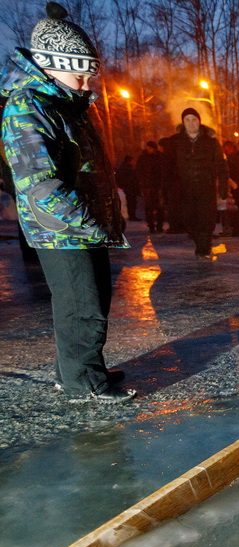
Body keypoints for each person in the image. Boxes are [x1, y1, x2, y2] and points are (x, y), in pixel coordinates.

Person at [1, 2, 134, 402]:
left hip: (82, 221)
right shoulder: (27, 106)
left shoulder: (65, 104)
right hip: (61, 226)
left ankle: (77, 369)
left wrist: (107, 210)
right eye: (80, 75)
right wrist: (84, 220)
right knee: (81, 305)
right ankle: (82, 382)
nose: (87, 85)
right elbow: (39, 182)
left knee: (93, 299)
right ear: (51, 66)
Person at [166, 107, 229, 258]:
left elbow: (221, 165)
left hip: (205, 187)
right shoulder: (175, 142)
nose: (191, 123)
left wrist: (223, 186)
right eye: (187, 120)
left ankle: (204, 248)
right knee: (189, 219)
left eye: (194, 119)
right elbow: (167, 166)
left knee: (206, 219)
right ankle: (200, 243)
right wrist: (168, 188)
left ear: (199, 121)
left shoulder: (211, 142)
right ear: (183, 123)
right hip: (185, 188)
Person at [136, 141, 165, 233]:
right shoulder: (143, 158)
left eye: (150, 148)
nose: (148, 149)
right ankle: (151, 225)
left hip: (157, 186)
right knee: (149, 207)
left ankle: (159, 225)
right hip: (148, 186)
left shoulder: (160, 157)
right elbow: (139, 171)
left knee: (159, 207)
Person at [221, 140, 239, 237]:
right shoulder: (235, 155)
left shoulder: (236, 157)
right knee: (234, 207)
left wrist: (235, 183)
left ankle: (237, 230)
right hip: (235, 183)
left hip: (236, 184)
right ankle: (235, 229)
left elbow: (238, 170)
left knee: (236, 207)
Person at [115, 155, 140, 222]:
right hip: (130, 187)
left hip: (128, 187)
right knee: (131, 202)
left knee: (131, 202)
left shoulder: (123, 168)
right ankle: (132, 216)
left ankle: (132, 215)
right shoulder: (128, 169)